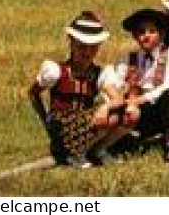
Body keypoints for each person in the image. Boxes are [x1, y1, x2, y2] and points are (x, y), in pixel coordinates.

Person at [28, 11, 122, 169]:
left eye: (92, 48)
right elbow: (33, 93)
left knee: (122, 114)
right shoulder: (56, 71)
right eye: (82, 46)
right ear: (71, 42)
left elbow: (118, 99)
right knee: (107, 117)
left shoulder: (99, 74)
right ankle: (74, 154)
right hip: (62, 126)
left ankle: (94, 150)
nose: (87, 52)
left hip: (85, 124)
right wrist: (46, 120)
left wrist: (106, 107)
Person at [103, 6, 169, 161]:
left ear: (161, 34)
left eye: (152, 31)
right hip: (134, 111)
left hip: (159, 109)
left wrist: (142, 99)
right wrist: (124, 99)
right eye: (141, 32)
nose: (146, 36)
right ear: (135, 36)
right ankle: (119, 140)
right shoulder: (128, 59)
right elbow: (116, 83)